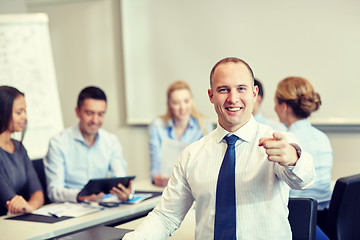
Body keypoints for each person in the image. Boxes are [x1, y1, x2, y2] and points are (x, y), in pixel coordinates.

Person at [123, 57, 315, 239]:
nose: (233, 98)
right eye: (223, 90)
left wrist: (293, 158)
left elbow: (304, 179)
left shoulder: (276, 142)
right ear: (211, 95)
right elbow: (166, 217)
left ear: (254, 94)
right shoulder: (192, 155)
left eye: (241, 89)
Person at [44, 86, 131, 203]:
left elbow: (120, 178)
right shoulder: (58, 142)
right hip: (71, 208)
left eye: (100, 114)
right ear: (77, 112)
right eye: (89, 113)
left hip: (101, 206)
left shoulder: (111, 141)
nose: (95, 120)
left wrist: (125, 191)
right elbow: (54, 192)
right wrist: (79, 196)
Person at [274, 76, 333, 237]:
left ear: (284, 106)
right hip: (326, 219)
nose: (274, 108)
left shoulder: (286, 142)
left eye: (275, 103)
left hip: (299, 219)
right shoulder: (323, 137)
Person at [149, 80, 213, 186]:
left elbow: (207, 163)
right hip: (165, 185)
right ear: (169, 105)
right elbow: (155, 164)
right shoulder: (157, 126)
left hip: (194, 184)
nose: (182, 107)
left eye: (186, 101)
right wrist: (156, 177)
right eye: (176, 103)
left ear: (192, 101)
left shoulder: (204, 125)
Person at [0, 86, 44, 216]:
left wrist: (29, 207)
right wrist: (23, 206)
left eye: (25, 111)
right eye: (19, 112)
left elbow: (38, 193)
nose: (24, 117)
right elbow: (10, 200)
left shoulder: (19, 147)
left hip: (19, 218)